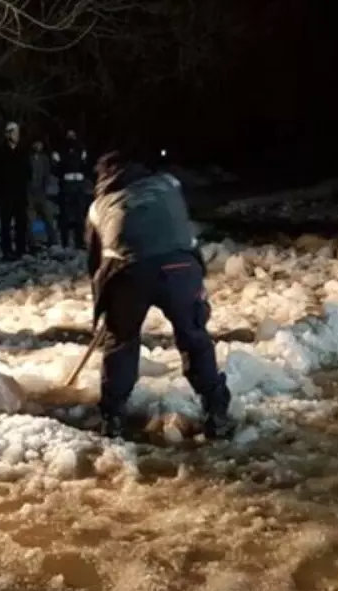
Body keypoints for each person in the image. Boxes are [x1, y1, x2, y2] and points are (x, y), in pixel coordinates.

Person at [84, 151, 233, 441]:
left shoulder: (98, 207)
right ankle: (217, 411)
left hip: (128, 274)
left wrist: (106, 304)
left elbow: (94, 260)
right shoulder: (169, 184)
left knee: (122, 342)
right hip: (180, 267)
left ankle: (112, 417)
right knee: (194, 338)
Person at [0, 121, 32, 259]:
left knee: (21, 222)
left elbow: (28, 171)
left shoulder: (23, 150)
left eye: (17, 132)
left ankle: (21, 248)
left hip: (20, 193)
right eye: (14, 132)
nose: (16, 135)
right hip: (5, 193)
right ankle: (7, 250)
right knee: (6, 224)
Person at [52, 128, 90, 248]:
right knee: (65, 214)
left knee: (79, 214)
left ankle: (79, 241)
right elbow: (56, 168)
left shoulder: (81, 149)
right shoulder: (60, 150)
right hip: (67, 184)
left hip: (78, 184)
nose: (71, 137)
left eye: (73, 134)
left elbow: (85, 165)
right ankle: (65, 241)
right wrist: (62, 175)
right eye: (69, 134)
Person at [28, 139, 59, 248]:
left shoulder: (44, 158)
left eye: (39, 143)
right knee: (32, 219)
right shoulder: (28, 158)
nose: (38, 145)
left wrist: (44, 187)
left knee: (47, 216)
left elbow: (47, 174)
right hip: (30, 193)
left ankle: (52, 240)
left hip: (41, 192)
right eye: (36, 143)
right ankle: (34, 241)